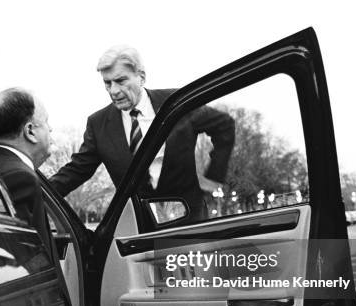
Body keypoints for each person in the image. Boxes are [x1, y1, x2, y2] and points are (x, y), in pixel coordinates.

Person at [49, 45, 235, 220]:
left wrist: (213, 178)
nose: (113, 90)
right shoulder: (98, 124)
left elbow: (224, 125)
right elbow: (76, 170)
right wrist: (35, 197)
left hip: (190, 224)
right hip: (140, 230)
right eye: (107, 83)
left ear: (141, 77)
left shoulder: (176, 103)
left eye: (121, 81)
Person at [0, 87, 54, 248]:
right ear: (30, 131)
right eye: (46, 121)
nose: (50, 128)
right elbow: (28, 254)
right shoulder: (20, 177)